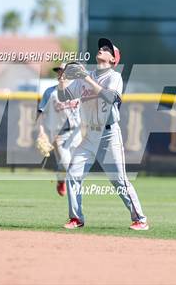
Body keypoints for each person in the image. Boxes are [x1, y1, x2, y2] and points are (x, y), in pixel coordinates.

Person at [60, 38, 149, 230]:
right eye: (101, 47)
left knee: (119, 180)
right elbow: (63, 95)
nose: (102, 49)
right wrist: (62, 79)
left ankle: (140, 219)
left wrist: (86, 78)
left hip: (109, 135)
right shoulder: (87, 75)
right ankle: (76, 218)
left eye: (107, 49)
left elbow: (110, 97)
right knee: (73, 175)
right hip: (89, 135)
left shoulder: (113, 76)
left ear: (112, 59)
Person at [37, 63, 82, 196]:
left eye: (64, 71)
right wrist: (41, 133)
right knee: (66, 165)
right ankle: (62, 182)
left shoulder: (79, 91)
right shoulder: (50, 92)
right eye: (59, 71)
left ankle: (63, 182)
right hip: (58, 135)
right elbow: (40, 114)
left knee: (75, 166)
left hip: (76, 133)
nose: (60, 74)